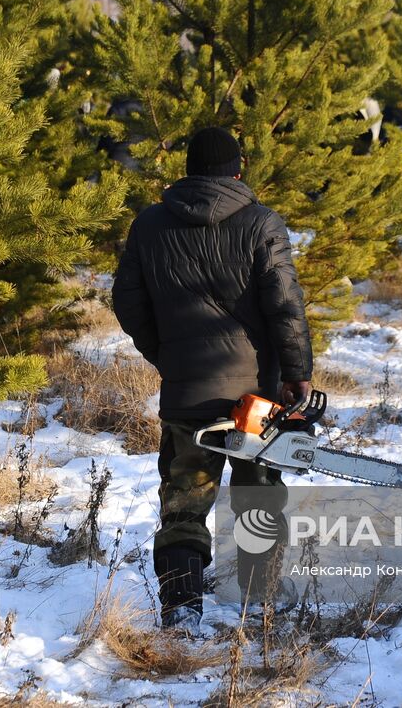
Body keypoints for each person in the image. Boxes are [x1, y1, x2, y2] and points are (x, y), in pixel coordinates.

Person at [112, 125, 313, 631]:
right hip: (256, 398)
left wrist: (168, 355)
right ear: (238, 169)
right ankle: (259, 600)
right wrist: (297, 375)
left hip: (187, 394)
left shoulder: (149, 225)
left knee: (183, 503)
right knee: (258, 495)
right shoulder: (261, 223)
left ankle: (181, 609)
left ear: (189, 169)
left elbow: (128, 304)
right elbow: (285, 307)